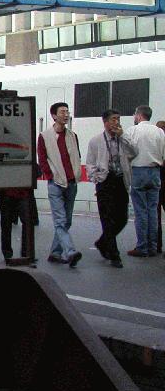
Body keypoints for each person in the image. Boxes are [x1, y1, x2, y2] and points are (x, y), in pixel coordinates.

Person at [85, 109, 137, 268]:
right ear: (105, 122)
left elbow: (135, 151)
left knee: (122, 218)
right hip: (105, 182)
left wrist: (123, 136)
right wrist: (96, 178)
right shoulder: (95, 141)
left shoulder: (123, 138)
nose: (117, 122)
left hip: (120, 181)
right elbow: (90, 163)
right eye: (114, 119)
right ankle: (114, 255)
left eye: (118, 119)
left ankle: (102, 242)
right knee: (107, 219)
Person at [37, 102, 82, 267]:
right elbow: (42, 159)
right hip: (55, 183)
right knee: (61, 220)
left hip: (71, 183)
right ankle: (70, 252)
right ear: (54, 116)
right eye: (62, 112)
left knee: (67, 220)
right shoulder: (44, 136)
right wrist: (50, 176)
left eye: (67, 111)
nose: (66, 114)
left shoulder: (72, 135)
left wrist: (76, 174)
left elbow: (77, 155)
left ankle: (55, 253)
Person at [126, 105, 165, 257]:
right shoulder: (160, 132)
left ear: (139, 115)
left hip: (138, 172)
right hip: (155, 172)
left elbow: (127, 153)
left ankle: (142, 247)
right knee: (153, 211)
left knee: (141, 211)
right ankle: (153, 247)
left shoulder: (132, 131)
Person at [156, 120, 165, 255]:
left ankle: (156, 244)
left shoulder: (157, 144)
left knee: (154, 214)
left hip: (157, 183)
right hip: (158, 183)